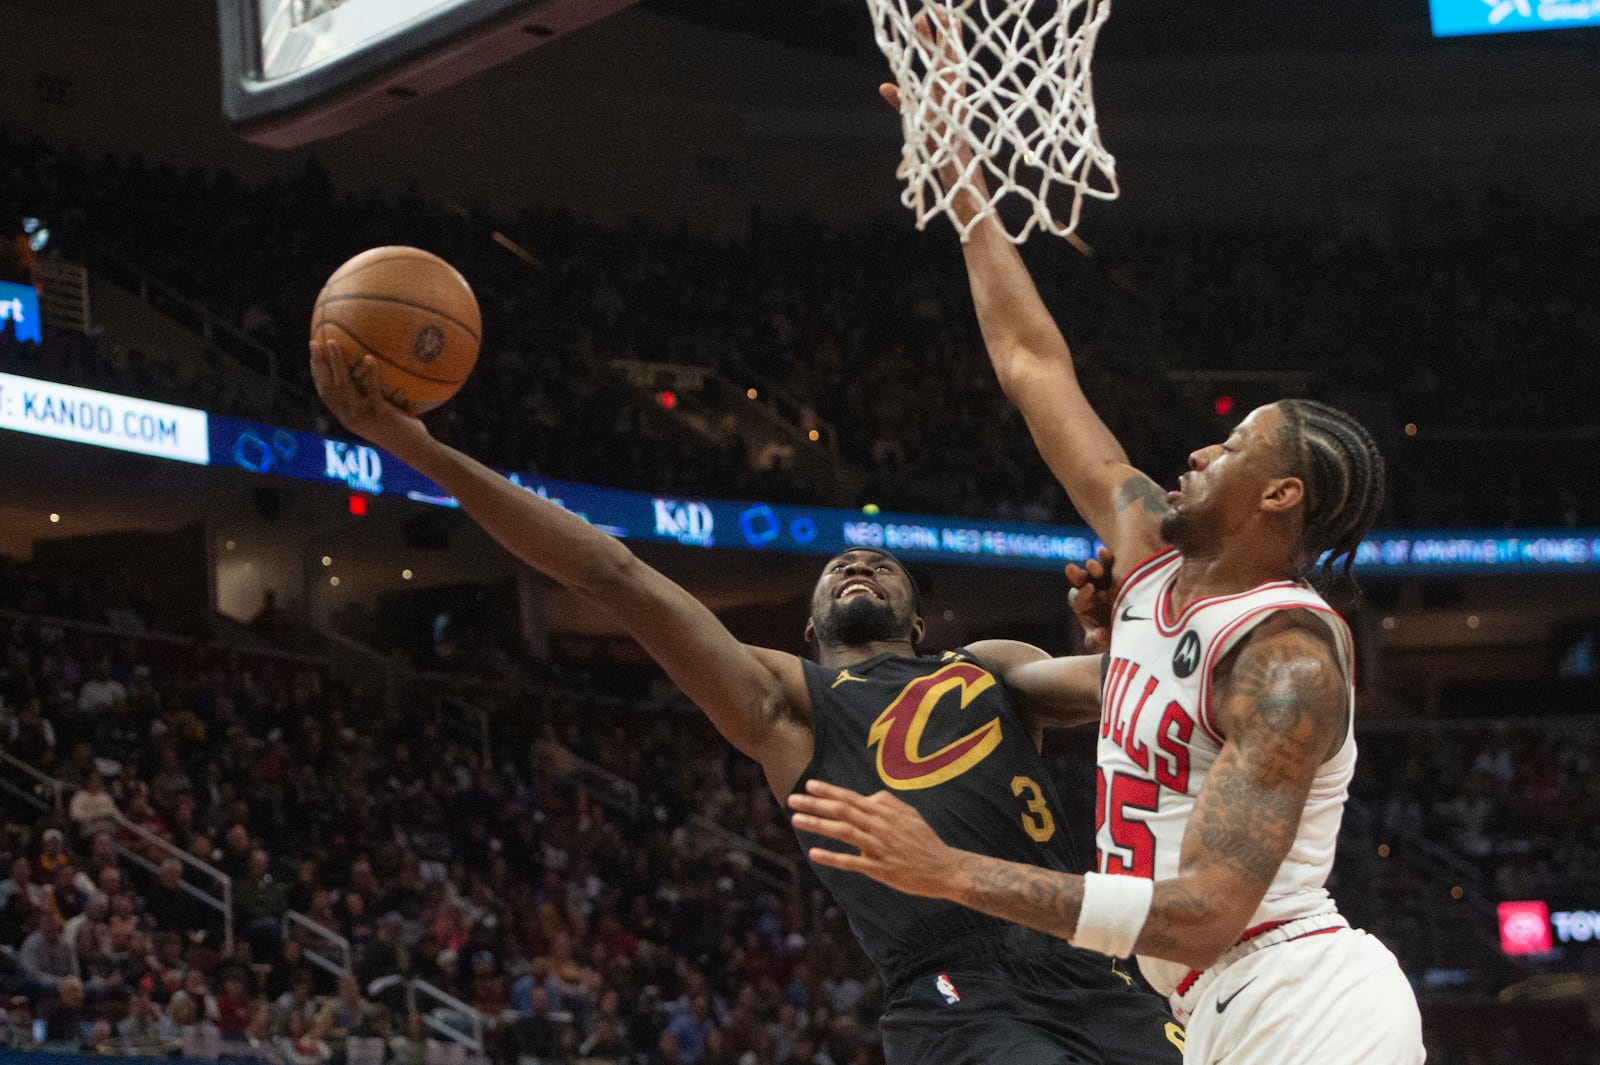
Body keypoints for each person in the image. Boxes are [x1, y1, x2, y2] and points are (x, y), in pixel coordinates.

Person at [786, 24, 1423, 1065]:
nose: (1199, 450)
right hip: (1199, 1009)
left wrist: (950, 870)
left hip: (1299, 996)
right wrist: (958, 167)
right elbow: (1035, 365)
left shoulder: (1286, 659)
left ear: (1280, 496)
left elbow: (1205, 911)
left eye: (1231, 446)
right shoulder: (1146, 557)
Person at [309, 340, 1180, 1065]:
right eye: (838, 568)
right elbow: (610, 572)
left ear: (917, 618)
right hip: (956, 994)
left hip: (1090, 957)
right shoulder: (787, 701)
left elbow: (1133, 691)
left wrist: (1120, 635)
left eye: (882, 565)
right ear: (809, 627)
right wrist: (413, 446)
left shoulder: (987, 663)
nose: (859, 562)